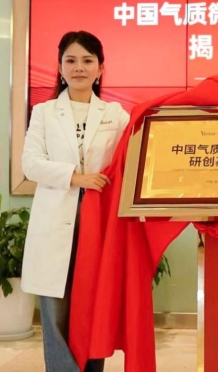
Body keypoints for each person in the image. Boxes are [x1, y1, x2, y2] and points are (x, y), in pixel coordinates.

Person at [21, 31, 130, 372]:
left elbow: (132, 160)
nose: (78, 67)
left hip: (99, 222)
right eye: (70, 60)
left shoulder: (116, 114)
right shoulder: (44, 112)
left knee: (94, 306)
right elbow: (30, 163)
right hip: (55, 218)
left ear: (100, 68)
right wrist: (76, 177)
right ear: (59, 68)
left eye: (87, 60)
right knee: (55, 310)